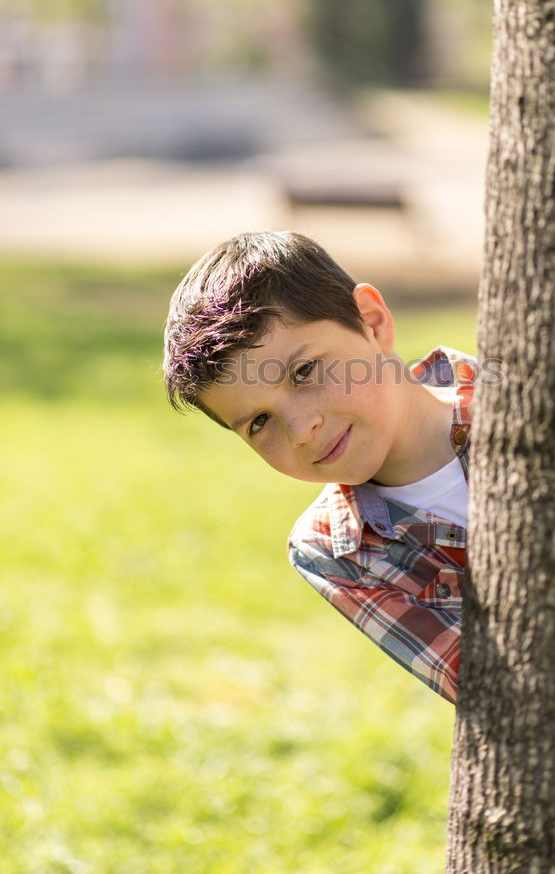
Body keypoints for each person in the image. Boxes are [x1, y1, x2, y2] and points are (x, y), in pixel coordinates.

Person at [163, 230, 477, 704]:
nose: (301, 429)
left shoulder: (535, 390)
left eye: (304, 372)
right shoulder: (334, 551)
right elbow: (490, 688)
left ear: (372, 322)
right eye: (260, 422)